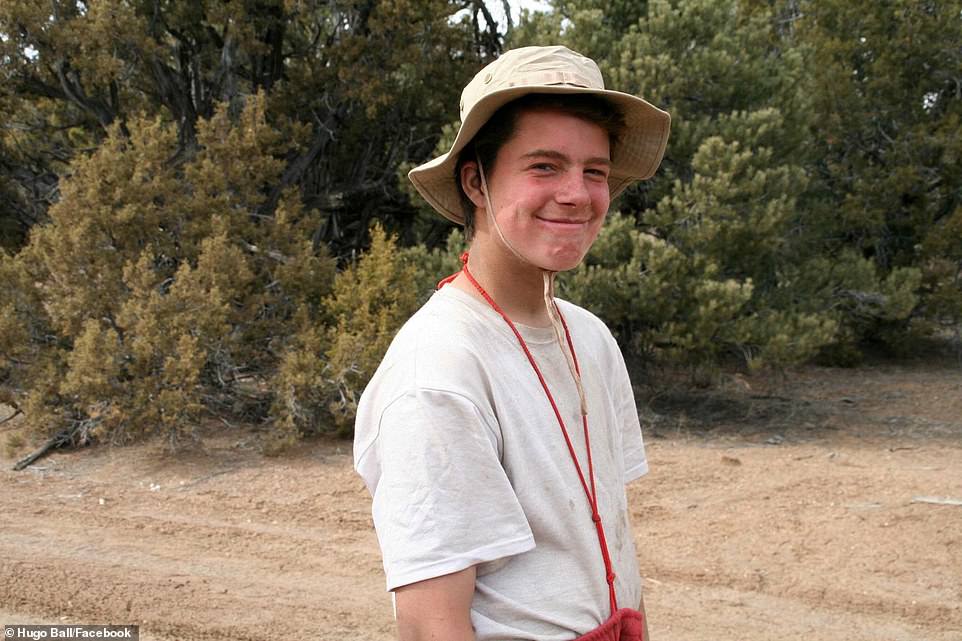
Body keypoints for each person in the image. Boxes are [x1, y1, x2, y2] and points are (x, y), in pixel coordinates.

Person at [354, 45, 670, 641]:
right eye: (544, 166)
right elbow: (430, 625)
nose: (578, 193)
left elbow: (610, 550)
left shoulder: (589, 338)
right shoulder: (440, 370)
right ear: (476, 181)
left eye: (595, 171)